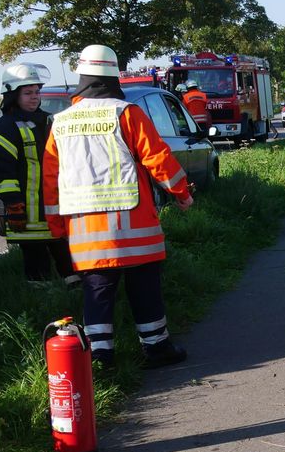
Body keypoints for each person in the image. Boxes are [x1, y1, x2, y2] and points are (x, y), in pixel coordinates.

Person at [43, 44, 193, 369]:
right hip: (134, 226)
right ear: (114, 76)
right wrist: (182, 193)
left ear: (82, 77)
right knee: (144, 287)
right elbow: (158, 158)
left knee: (96, 292)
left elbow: (51, 180)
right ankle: (156, 348)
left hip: (85, 233)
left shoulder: (60, 123)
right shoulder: (125, 113)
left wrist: (56, 229)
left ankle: (99, 359)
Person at [0, 63, 79, 286]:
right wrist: (14, 206)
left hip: (56, 210)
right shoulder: (5, 128)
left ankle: (75, 302)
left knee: (72, 267)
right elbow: (2, 172)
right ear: (12, 94)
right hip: (28, 216)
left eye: (37, 92)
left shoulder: (50, 121)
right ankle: (41, 308)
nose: (34, 97)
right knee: (38, 271)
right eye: (27, 93)